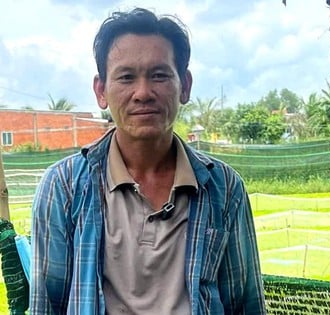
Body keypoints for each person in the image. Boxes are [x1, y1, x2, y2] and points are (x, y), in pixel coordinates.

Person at [30, 7, 266, 314]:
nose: (143, 93)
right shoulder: (64, 187)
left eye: (159, 75)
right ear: (101, 91)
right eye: (126, 77)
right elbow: (47, 304)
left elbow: (244, 303)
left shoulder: (223, 188)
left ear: (185, 85)